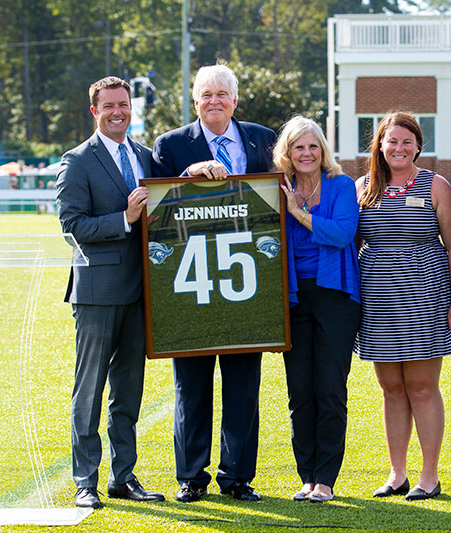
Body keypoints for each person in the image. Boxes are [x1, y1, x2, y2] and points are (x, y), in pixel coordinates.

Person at [151, 64, 276, 503]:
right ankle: (191, 477)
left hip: (248, 283)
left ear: (235, 101)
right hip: (191, 284)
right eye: (206, 94)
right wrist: (186, 179)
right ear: (195, 99)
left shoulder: (263, 138)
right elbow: (156, 211)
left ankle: (238, 477)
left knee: (243, 388)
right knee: (191, 387)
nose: (215, 101)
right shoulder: (169, 146)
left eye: (223, 94)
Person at [56, 76, 164, 510]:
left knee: (128, 390)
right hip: (97, 293)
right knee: (90, 391)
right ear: (94, 111)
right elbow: (71, 226)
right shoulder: (77, 160)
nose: (118, 111)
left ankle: (123, 477)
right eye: (109, 106)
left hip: (141, 293)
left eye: (124, 104)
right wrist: (125, 218)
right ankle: (86, 482)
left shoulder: (143, 155)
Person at [354, 112, 451, 502]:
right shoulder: (362, 187)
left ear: (418, 145)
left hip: (425, 295)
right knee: (390, 387)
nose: (398, 148)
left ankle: (429, 476)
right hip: (378, 297)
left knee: (421, 385)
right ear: (379, 145)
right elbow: (352, 244)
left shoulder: (436, 185)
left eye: (406, 141)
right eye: (391, 141)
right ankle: (397, 473)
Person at [275, 116, 361, 503]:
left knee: (329, 388)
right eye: (298, 147)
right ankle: (306, 475)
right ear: (288, 154)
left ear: (322, 150)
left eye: (313, 146)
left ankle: (325, 477)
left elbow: (343, 234)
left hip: (335, 295)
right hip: (292, 297)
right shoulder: (277, 188)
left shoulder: (342, 186)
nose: (306, 153)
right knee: (300, 391)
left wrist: (299, 213)